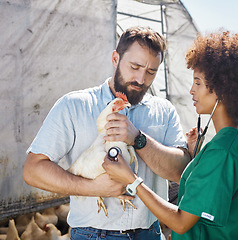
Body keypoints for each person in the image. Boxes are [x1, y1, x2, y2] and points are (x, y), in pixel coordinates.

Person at [102, 30, 238, 239]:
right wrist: (197, 157)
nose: (191, 90)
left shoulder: (221, 151)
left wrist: (131, 180)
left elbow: (181, 222)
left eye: (198, 82)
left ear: (222, 89)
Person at [23, 26, 191, 240]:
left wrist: (138, 139)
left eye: (151, 72)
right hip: (93, 234)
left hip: (149, 233)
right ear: (115, 58)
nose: (141, 79)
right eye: (135, 66)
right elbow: (33, 169)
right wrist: (93, 188)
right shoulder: (74, 106)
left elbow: (180, 171)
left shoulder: (164, 111)